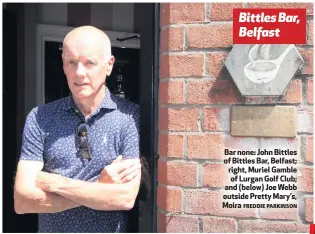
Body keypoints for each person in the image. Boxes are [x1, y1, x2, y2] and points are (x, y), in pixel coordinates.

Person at [14, 26, 141, 233]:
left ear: (109, 65)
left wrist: (56, 184)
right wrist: (100, 188)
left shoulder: (129, 117)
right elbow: (22, 201)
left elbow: (124, 198)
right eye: (71, 62)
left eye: (89, 63)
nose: (79, 73)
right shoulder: (40, 117)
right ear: (63, 64)